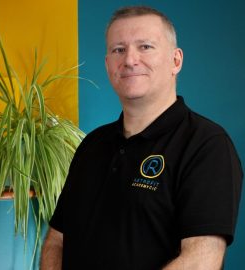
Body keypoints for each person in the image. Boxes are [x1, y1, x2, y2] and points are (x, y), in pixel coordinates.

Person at [40, 6, 243, 270]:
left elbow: (200, 261)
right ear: (107, 64)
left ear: (176, 60)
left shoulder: (207, 144)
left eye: (145, 47)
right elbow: (57, 239)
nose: (130, 60)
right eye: (118, 50)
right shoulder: (92, 145)